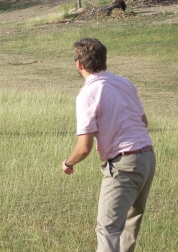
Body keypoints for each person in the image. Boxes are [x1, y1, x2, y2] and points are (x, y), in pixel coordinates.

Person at [62, 38, 155, 252]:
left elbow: (83, 148)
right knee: (131, 224)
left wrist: (68, 163)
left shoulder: (87, 93)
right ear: (104, 59)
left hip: (124, 165)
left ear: (79, 64)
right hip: (147, 158)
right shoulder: (124, 82)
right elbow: (143, 122)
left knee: (108, 229)